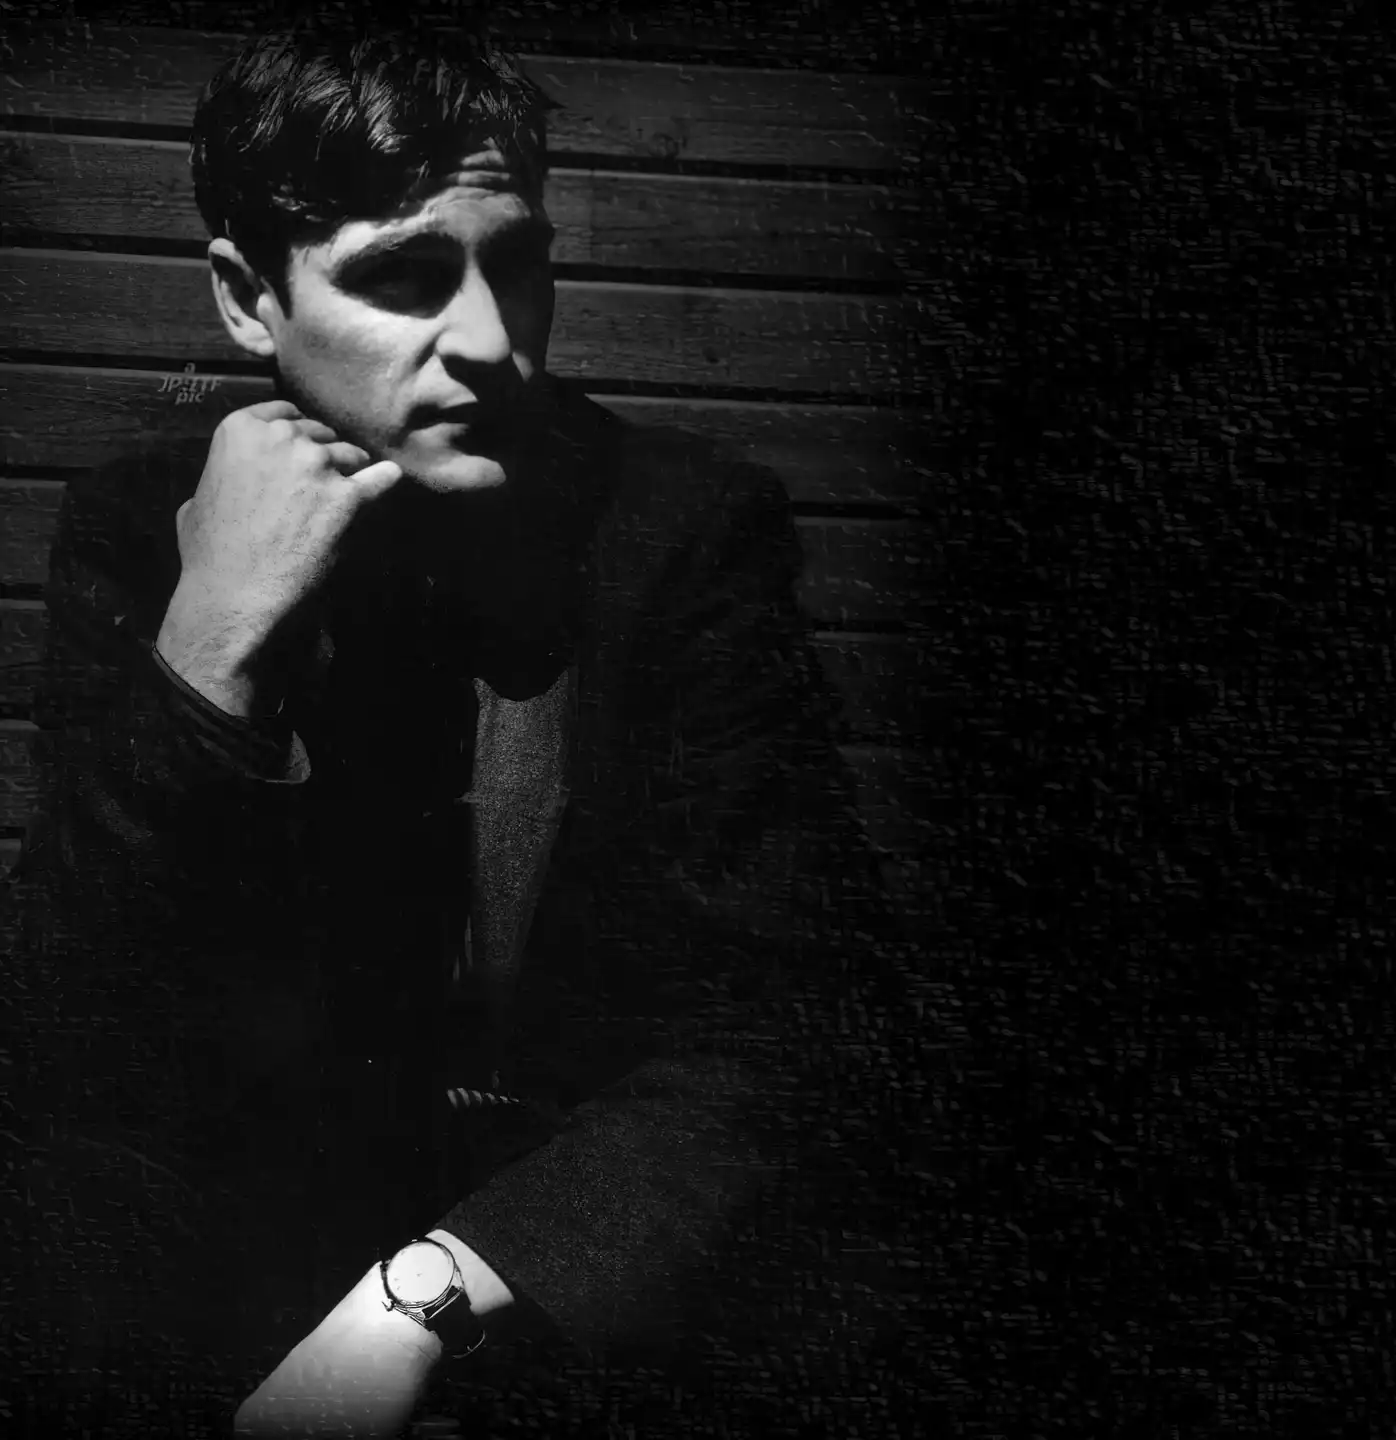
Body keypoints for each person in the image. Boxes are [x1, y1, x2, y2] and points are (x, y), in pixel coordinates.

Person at [0, 19, 930, 1438]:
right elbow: (74, 1035)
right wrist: (208, 649)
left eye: (521, 264)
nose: (495, 343)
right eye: (404, 275)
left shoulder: (682, 530)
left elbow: (795, 1026)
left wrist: (419, 1306)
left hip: (577, 1301)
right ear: (248, 301)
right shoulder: (140, 528)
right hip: (220, 1296)